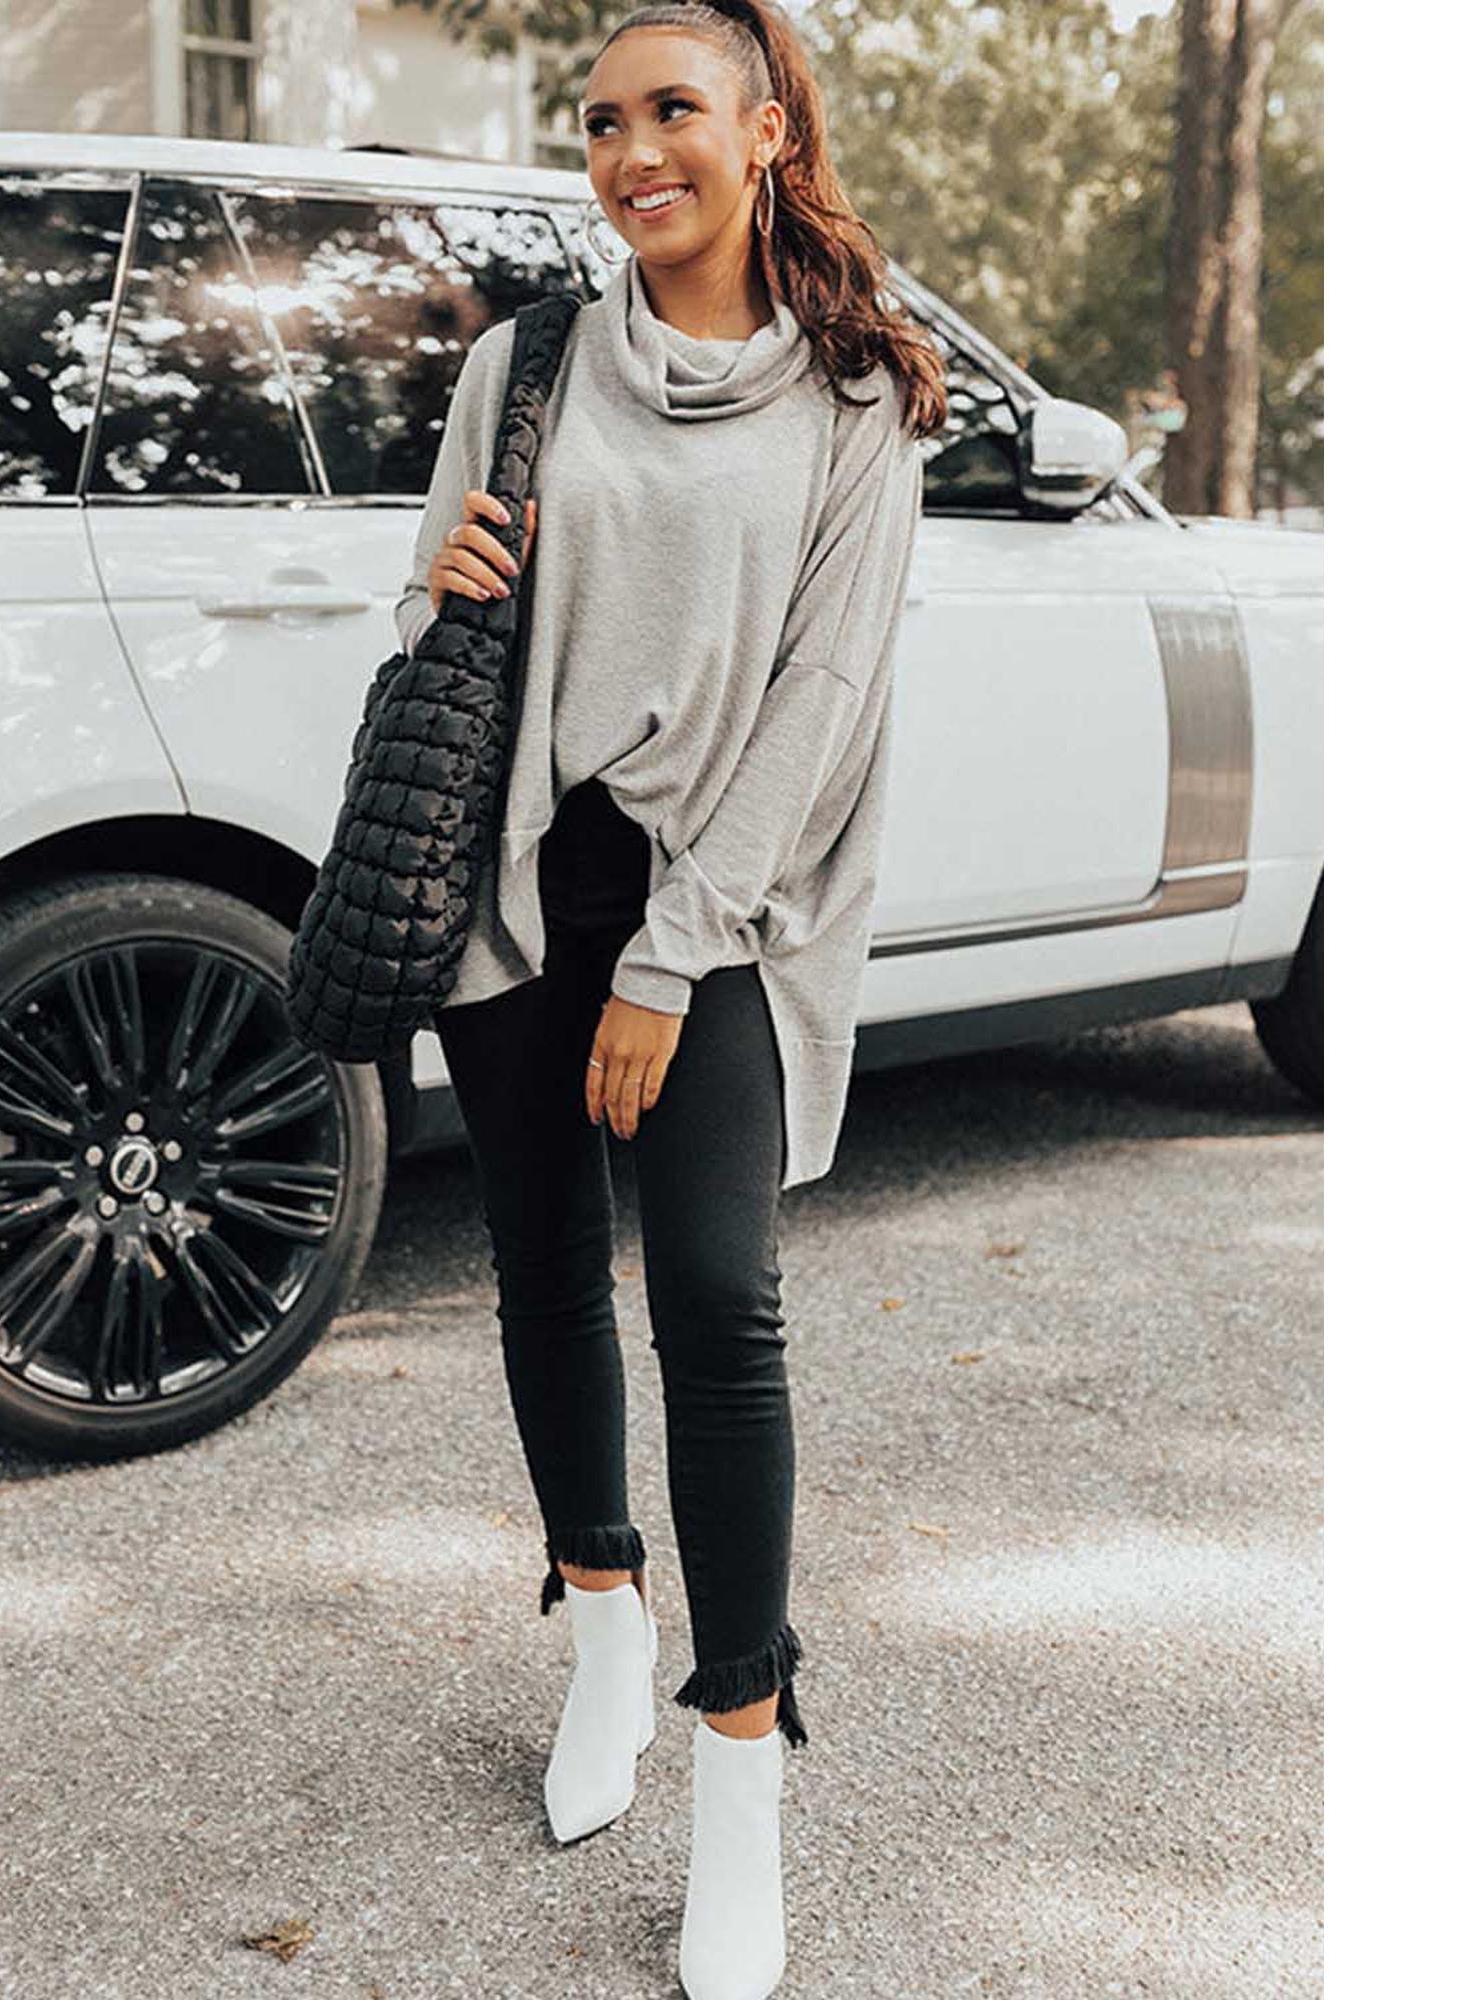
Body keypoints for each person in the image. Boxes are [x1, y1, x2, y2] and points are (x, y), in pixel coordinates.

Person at [392, 5, 947, 1994]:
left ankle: (739, 1780)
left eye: (675, 111)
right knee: (543, 1268)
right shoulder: (523, 365)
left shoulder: (861, 391)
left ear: (766, 129)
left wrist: (669, 955)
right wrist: (450, 583)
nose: (634, 152)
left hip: (723, 903)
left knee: (717, 1301)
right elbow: (434, 629)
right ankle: (605, 1627)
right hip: (521, 877)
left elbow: (823, 702)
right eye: (603, 119)